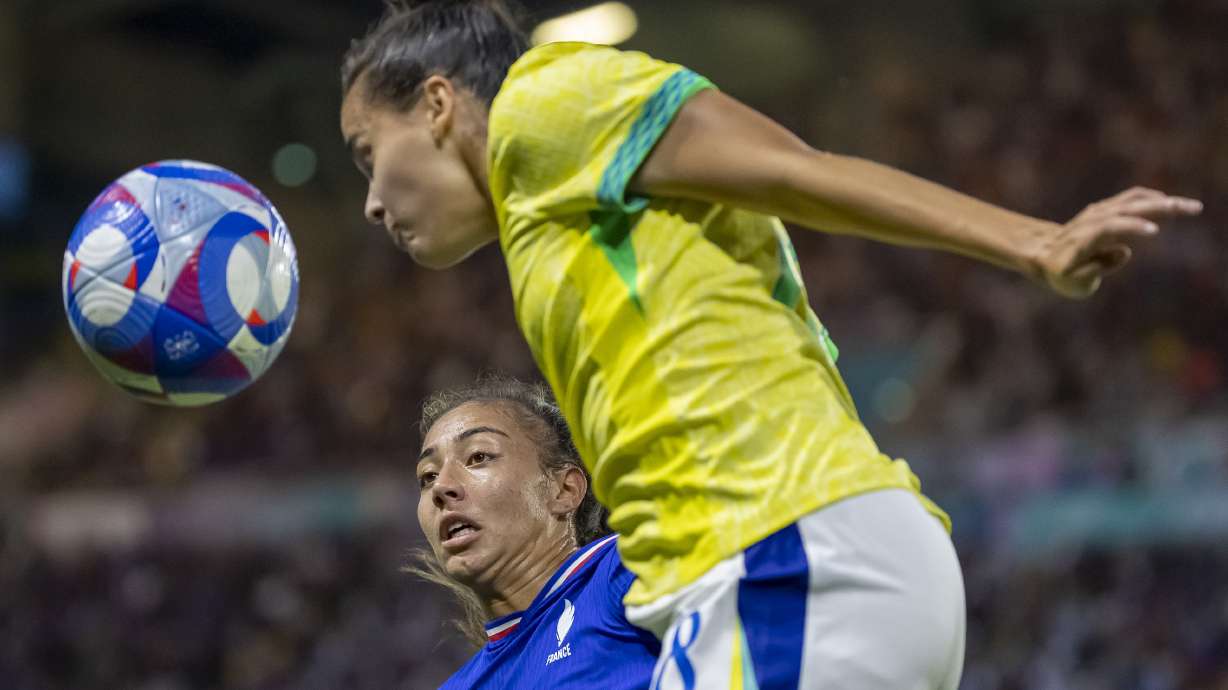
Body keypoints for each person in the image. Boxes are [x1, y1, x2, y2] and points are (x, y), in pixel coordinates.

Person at [339, 2, 1204, 687]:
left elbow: (798, 168)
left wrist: (1035, 242)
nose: (374, 202)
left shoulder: (543, 104)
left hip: (782, 560)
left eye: (367, 153)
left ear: (440, 104)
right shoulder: (554, 223)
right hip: (783, 581)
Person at [413, 376, 661, 688]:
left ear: (565, 489)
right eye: (428, 476)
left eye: (478, 457)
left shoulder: (630, 569)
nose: (441, 487)